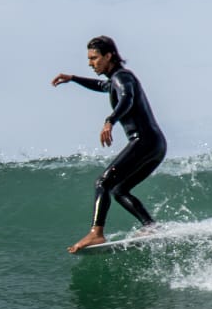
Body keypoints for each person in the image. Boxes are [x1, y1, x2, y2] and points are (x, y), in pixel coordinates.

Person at [50, 36, 167, 253]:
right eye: (89, 59)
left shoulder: (122, 77)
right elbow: (103, 86)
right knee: (119, 189)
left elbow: (127, 98)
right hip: (155, 144)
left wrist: (110, 120)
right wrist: (73, 78)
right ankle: (151, 226)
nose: (90, 63)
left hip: (143, 141)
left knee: (102, 182)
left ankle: (96, 233)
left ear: (108, 56)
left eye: (94, 58)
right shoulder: (116, 79)